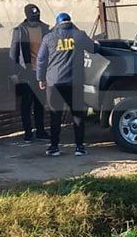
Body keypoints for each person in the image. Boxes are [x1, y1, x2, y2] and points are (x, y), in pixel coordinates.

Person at [36, 12, 96, 157]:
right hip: (75, 82)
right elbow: (93, 49)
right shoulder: (79, 35)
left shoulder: (49, 37)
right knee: (77, 115)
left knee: (55, 115)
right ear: (71, 22)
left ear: (57, 23)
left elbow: (41, 59)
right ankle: (80, 147)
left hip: (54, 82)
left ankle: (54, 147)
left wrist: (40, 78)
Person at [9, 3, 50, 142]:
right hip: (26, 72)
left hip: (42, 72)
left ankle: (41, 131)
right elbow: (13, 51)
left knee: (40, 103)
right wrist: (13, 73)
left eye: (37, 16)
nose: (35, 19)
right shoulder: (20, 30)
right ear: (27, 16)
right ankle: (28, 133)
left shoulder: (45, 29)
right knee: (26, 104)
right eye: (33, 16)